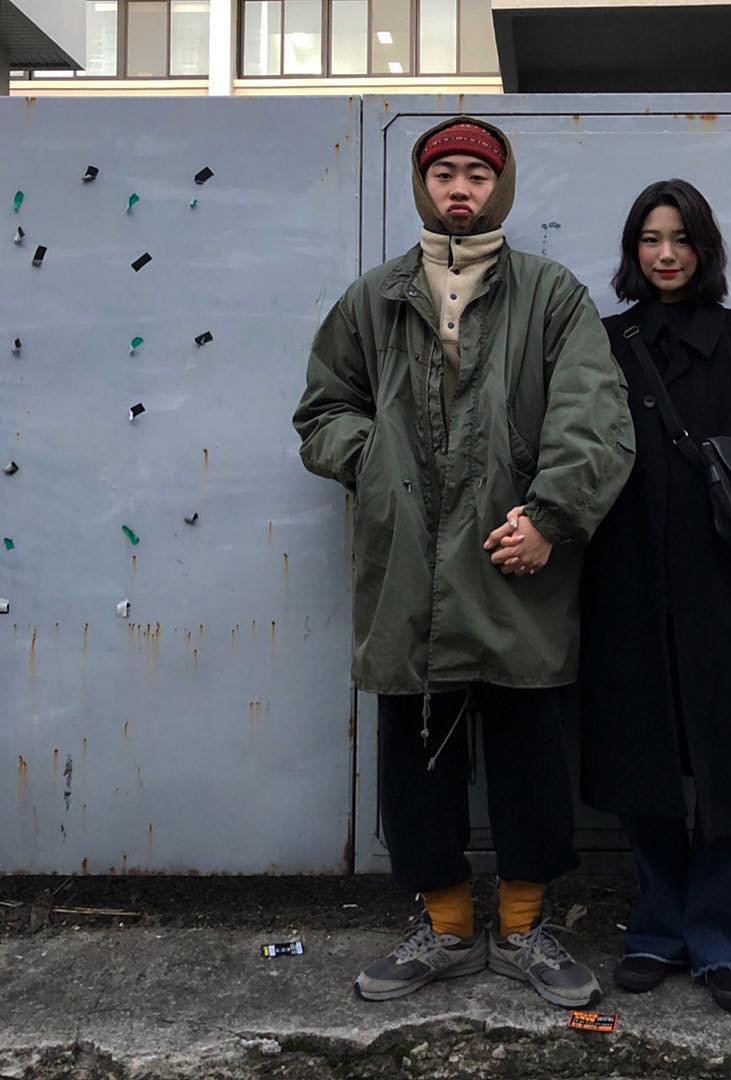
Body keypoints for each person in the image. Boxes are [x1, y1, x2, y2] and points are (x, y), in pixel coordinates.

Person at [293, 117, 634, 1008]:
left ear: (500, 188)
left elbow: (595, 415)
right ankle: (445, 930)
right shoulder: (375, 297)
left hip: (515, 556)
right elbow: (323, 410)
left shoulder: (550, 295)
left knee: (529, 752)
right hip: (406, 563)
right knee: (417, 755)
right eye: (443, 173)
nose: (459, 189)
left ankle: (523, 930)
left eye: (476, 176)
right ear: (423, 185)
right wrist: (374, 461)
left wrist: (552, 517)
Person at [579, 178, 731, 1013]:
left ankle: (727, 941)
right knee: (642, 764)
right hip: (628, 590)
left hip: (730, 594)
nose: (666, 254)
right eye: (650, 239)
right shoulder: (604, 344)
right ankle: (659, 926)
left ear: (706, 247)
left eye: (681, 238)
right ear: (632, 250)